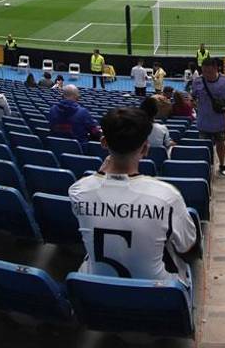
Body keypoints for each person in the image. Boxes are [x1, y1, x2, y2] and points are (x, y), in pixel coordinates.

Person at [68, 108, 198, 281]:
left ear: (104, 142)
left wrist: (99, 174)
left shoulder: (78, 190)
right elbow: (187, 248)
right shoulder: (167, 196)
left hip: (95, 289)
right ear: (145, 148)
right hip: (157, 294)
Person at [190, 57, 225, 175]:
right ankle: (206, 167)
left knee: (221, 144)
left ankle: (222, 164)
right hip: (203, 122)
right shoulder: (197, 81)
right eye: (204, 71)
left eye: (209, 72)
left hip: (219, 122)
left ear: (216, 69)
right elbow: (193, 97)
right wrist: (193, 102)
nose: (206, 74)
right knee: (204, 148)